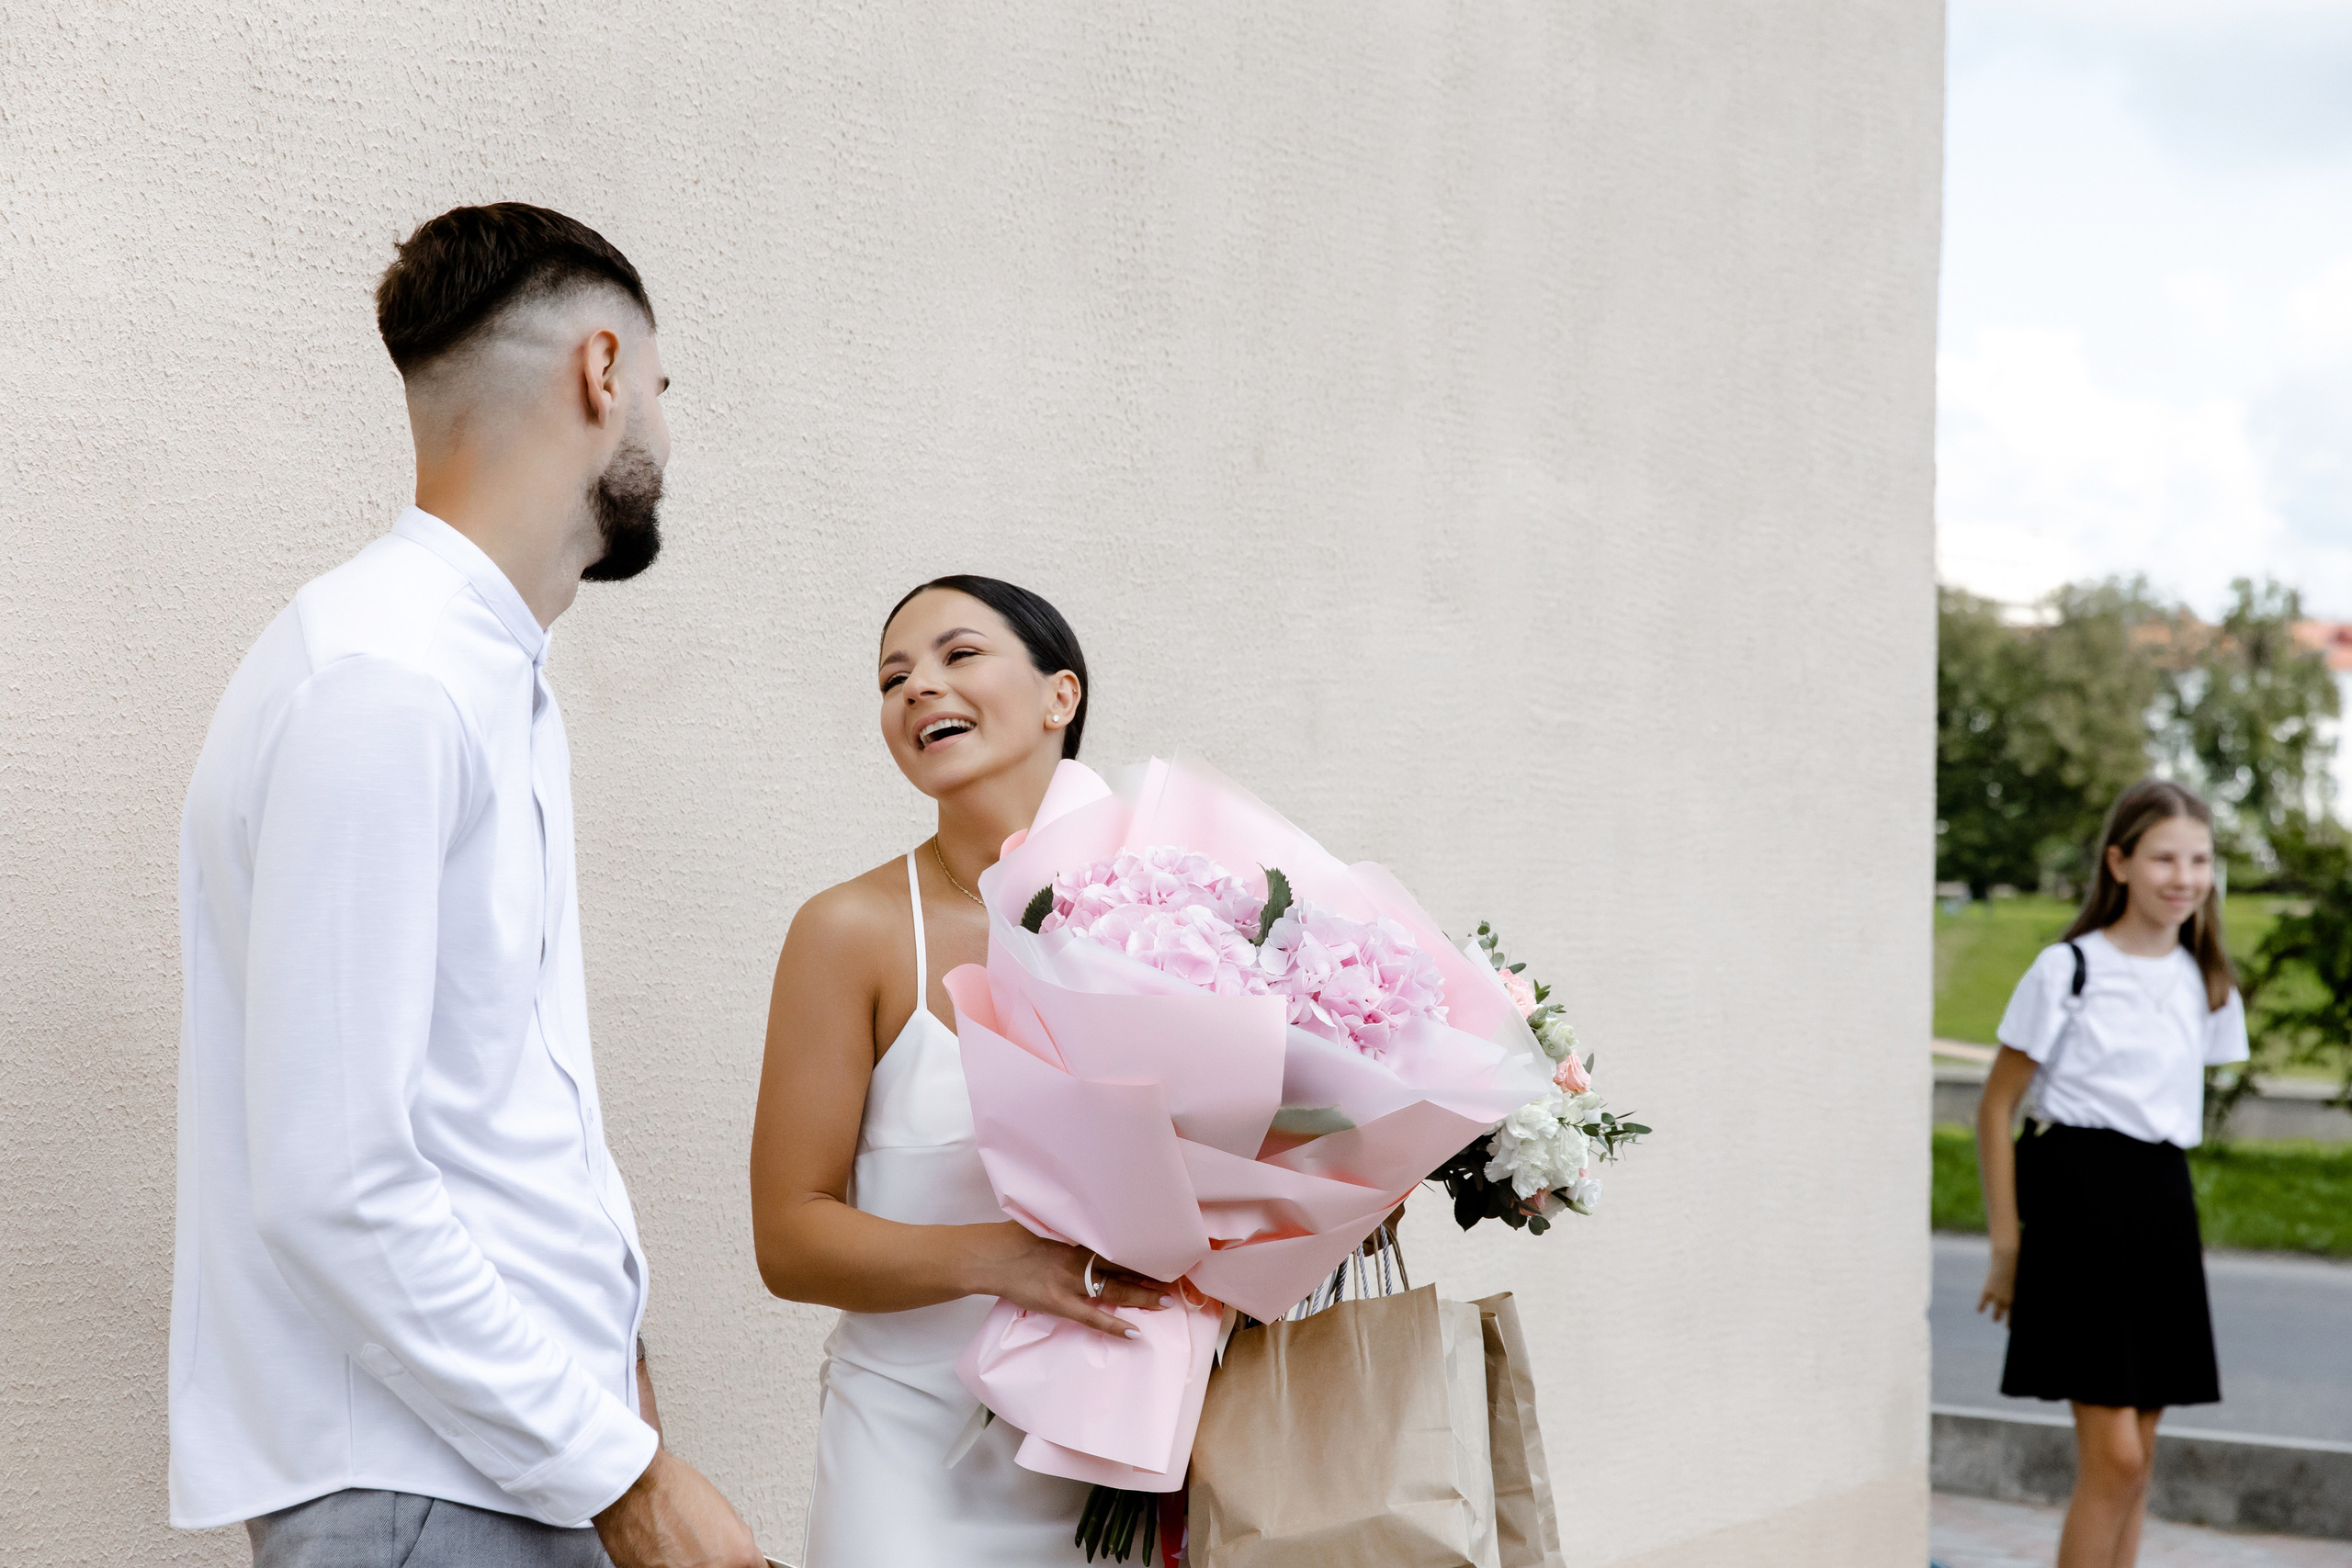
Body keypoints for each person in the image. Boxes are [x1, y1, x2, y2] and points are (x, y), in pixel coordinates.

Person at [172, 203, 762, 1568]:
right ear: (603, 372)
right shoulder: (386, 678)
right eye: (661, 393)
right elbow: (334, 1179)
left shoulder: (469, 668)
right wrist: (629, 1477)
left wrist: (622, 1413)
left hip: (497, 1468)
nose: (663, 436)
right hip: (423, 1491)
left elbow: (494, 1119)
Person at [751, 577, 1172, 1564]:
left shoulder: (1183, 920)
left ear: (1058, 697)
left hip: (1125, 1459)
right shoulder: (847, 931)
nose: (917, 688)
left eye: (957, 655)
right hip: (909, 1467)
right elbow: (789, 1238)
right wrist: (1005, 1260)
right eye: (894, 676)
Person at [1973, 778, 2248, 1568]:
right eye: (2164, 856)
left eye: (2199, 859)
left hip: (2163, 1202)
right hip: (2076, 1201)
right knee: (2115, 1460)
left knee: (2142, 1459)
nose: (2183, 876)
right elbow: (1996, 1107)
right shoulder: (2069, 969)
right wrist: (2007, 1246)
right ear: (2120, 862)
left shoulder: (2207, 980)